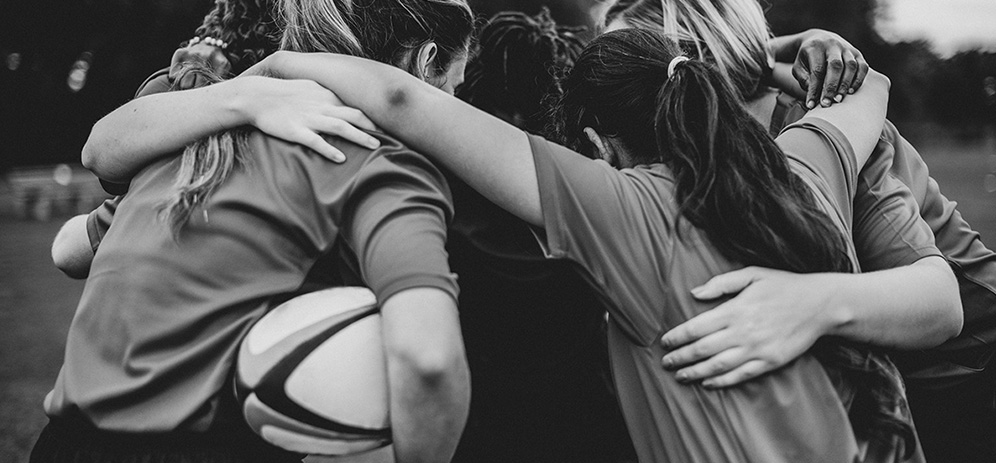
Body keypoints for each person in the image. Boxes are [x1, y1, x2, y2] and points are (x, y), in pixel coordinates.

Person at [241, 26, 962, 461]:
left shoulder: (624, 210)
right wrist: (766, 58)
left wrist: (266, 74)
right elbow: (868, 87)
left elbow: (402, 99)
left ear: (596, 143)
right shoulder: (804, 166)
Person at [38, 1, 476, 462]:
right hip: (202, 448)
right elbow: (428, 360)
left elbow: (71, 248)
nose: (456, 103)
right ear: (426, 62)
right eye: (455, 86)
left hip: (61, 444)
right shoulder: (385, 165)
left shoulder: (200, 137)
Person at [604, 2, 996, 460]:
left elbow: (941, 306)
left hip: (970, 372)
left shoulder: (831, 124)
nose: (613, 88)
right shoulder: (691, 152)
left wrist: (809, 304)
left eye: (628, 65)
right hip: (897, 382)